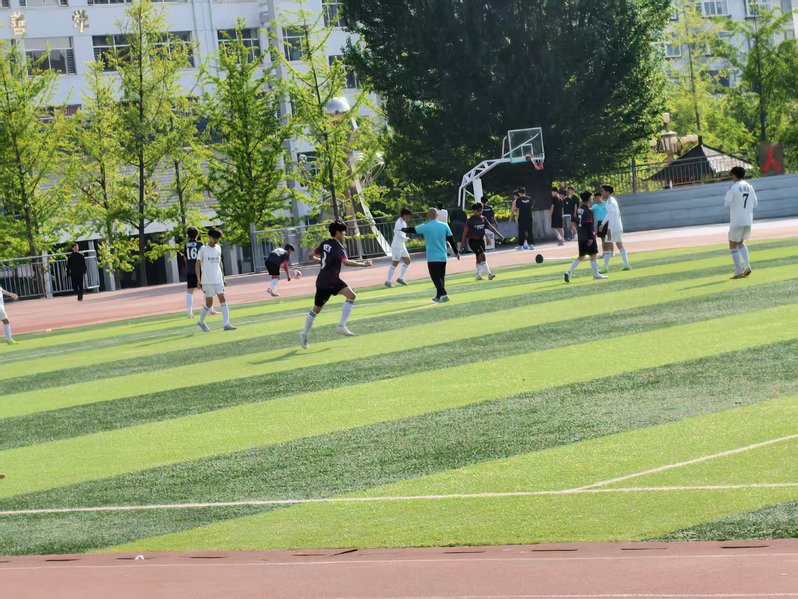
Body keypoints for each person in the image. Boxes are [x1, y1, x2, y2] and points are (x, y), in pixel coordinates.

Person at [300, 221, 373, 349]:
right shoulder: (338, 247)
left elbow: (311, 256)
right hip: (326, 283)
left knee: (351, 295)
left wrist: (322, 262)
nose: (344, 234)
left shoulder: (325, 243)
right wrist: (364, 264)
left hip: (331, 280)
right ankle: (304, 333)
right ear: (337, 232)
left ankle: (341, 325)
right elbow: (346, 262)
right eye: (343, 231)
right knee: (316, 309)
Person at [402, 207, 460, 303]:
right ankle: (439, 296)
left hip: (433, 257)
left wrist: (401, 229)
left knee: (435, 277)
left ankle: (444, 294)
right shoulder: (444, 225)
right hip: (443, 256)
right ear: (437, 215)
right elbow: (451, 240)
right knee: (441, 277)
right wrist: (456, 252)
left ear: (428, 215)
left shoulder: (426, 226)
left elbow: (412, 230)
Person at [195, 227, 237, 332]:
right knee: (209, 303)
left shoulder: (218, 248)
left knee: (222, 298)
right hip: (207, 280)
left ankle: (226, 324)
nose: (216, 241)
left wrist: (223, 276)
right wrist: (198, 279)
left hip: (218, 278)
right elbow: (197, 264)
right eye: (214, 238)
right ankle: (201, 321)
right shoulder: (203, 249)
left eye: (218, 239)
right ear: (209, 237)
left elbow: (220, 263)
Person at [564, 192, 608, 283]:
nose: (592, 199)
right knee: (593, 255)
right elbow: (589, 224)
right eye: (591, 197)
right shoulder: (588, 211)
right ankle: (596, 274)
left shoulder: (579, 210)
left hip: (581, 237)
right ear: (588, 199)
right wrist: (591, 237)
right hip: (588, 236)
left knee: (581, 256)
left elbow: (573, 221)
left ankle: (569, 271)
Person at [724, 166, 758, 279]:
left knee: (732, 243)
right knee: (740, 243)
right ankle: (747, 266)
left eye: (731, 175)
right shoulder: (750, 187)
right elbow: (755, 204)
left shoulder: (733, 187)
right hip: (748, 219)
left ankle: (738, 270)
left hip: (736, 219)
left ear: (734, 175)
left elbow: (727, 204)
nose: (731, 177)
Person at [461, 202, 504, 281]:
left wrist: (499, 235)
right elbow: (465, 232)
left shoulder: (483, 218)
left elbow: (490, 228)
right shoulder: (470, 221)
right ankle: (489, 274)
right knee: (482, 255)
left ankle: (478, 275)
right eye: (478, 210)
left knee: (479, 258)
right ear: (473, 211)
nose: (480, 212)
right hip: (473, 241)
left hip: (481, 240)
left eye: (481, 210)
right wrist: (462, 243)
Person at [184, 227, 218, 318]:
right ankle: (210, 309)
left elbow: (185, 257)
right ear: (197, 234)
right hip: (201, 270)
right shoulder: (200, 244)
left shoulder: (186, 245)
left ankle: (189, 313)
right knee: (207, 290)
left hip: (190, 270)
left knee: (189, 292)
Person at [598, 184, 631, 272]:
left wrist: (607, 227)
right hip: (617, 226)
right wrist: (602, 224)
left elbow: (611, 215)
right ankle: (626, 265)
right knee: (619, 245)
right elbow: (609, 214)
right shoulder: (612, 200)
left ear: (607, 192)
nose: (601, 193)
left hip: (612, 228)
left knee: (607, 246)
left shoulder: (610, 202)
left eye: (603, 191)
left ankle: (605, 267)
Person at [386, 208, 413, 288]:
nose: (409, 218)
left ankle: (400, 278)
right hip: (397, 246)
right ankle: (388, 281)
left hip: (402, 245)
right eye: (408, 216)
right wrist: (406, 238)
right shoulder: (399, 222)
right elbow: (398, 233)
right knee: (395, 263)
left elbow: (397, 232)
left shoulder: (403, 222)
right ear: (404, 215)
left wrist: (405, 238)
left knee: (407, 261)